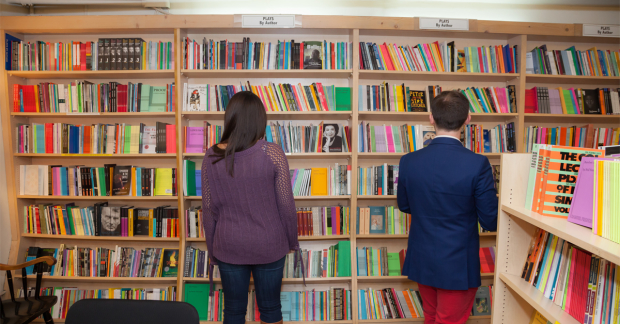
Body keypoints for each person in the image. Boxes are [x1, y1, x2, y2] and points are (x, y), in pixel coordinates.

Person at [397, 90, 498, 324]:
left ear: (431, 118)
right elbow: (490, 220)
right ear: (467, 119)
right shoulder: (477, 164)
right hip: (457, 263)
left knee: (431, 316)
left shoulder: (409, 161)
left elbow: (404, 205)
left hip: (422, 257)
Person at [202, 91, 299, 324]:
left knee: (234, 311)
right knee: (271, 308)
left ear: (230, 118)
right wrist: (291, 240)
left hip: (228, 245)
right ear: (259, 119)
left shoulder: (211, 156)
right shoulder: (273, 153)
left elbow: (208, 209)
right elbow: (286, 204)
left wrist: (213, 249)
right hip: (270, 243)